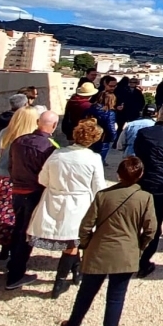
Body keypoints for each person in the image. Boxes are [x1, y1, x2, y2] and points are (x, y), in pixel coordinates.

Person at [58, 156, 157, 326]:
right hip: (126, 253)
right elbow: (151, 229)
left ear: (118, 175)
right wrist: (139, 248)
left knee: (86, 292)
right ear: (140, 176)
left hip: (99, 251)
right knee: (115, 297)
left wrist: (86, 244)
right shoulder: (145, 198)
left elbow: (85, 226)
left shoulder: (103, 196)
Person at [27, 118, 108, 298]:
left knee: (73, 242)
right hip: (78, 204)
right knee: (72, 243)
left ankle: (76, 272)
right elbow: (99, 188)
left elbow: (43, 179)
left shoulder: (57, 154)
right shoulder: (93, 159)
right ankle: (59, 282)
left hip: (55, 199)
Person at [5, 110, 59, 289]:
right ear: (54, 126)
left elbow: (11, 166)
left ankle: (12, 264)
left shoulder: (18, 141)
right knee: (27, 234)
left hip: (17, 191)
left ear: (37, 122)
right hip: (34, 193)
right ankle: (15, 275)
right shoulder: (50, 147)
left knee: (19, 228)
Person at [0, 105, 40, 261]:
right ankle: (5, 251)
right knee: (11, 216)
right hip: (14, 180)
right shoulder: (28, 139)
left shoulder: (4, 133)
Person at [131, 104, 163, 277]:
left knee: (137, 219)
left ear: (158, 114)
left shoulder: (144, 133)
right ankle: (144, 261)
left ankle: (133, 256)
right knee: (155, 221)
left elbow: (137, 152)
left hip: (144, 180)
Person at [88, 90, 119, 162]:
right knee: (99, 159)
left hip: (91, 134)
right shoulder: (109, 113)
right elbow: (111, 127)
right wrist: (113, 138)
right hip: (103, 138)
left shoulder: (92, 108)